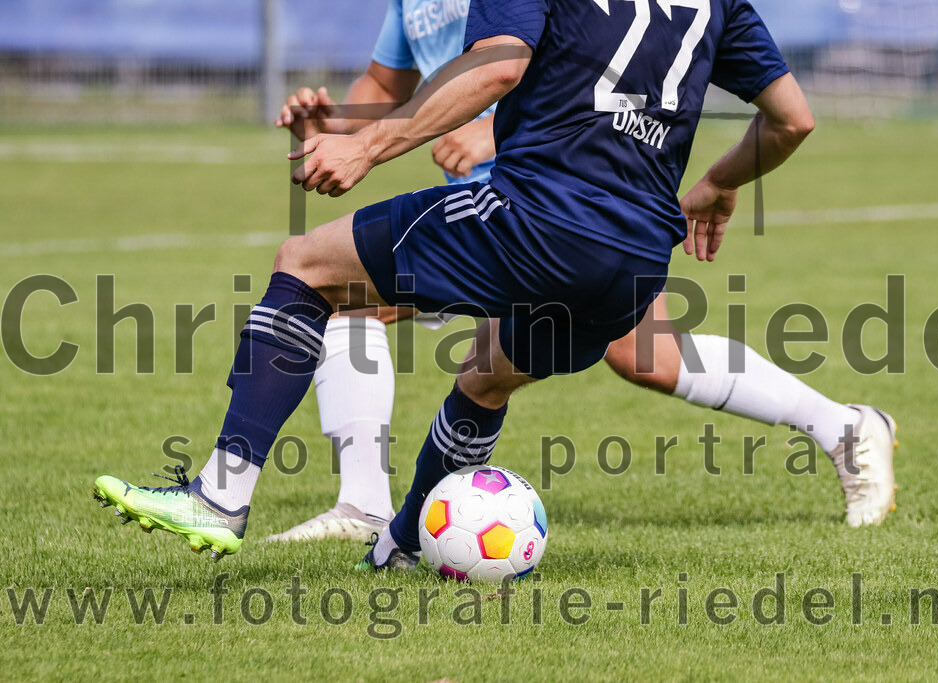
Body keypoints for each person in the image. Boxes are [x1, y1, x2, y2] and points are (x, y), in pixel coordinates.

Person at [92, 0, 897, 565]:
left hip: (532, 215)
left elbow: (500, 64)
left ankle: (222, 493)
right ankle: (400, 534)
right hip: (633, 250)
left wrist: (374, 150)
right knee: (487, 373)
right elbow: (793, 118)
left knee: (306, 267)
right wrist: (719, 182)